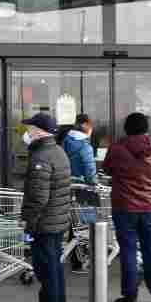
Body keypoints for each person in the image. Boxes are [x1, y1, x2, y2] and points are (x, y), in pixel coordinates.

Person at [102, 113, 151, 302]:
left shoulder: (116, 149)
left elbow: (107, 170)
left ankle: (130, 297)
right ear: (146, 129)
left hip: (124, 207)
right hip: (150, 207)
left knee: (128, 251)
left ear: (126, 129)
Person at [20, 112, 73, 302]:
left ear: (38, 131)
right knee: (55, 269)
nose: (27, 132)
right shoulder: (58, 151)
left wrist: (28, 221)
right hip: (56, 221)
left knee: (46, 271)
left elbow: (38, 198)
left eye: (30, 128)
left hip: (45, 223)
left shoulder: (40, 157)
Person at [61, 114, 97, 274]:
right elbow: (90, 172)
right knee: (83, 226)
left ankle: (76, 259)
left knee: (74, 224)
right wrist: (95, 183)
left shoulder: (64, 141)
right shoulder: (85, 147)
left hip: (66, 187)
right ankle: (79, 260)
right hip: (83, 189)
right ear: (86, 125)